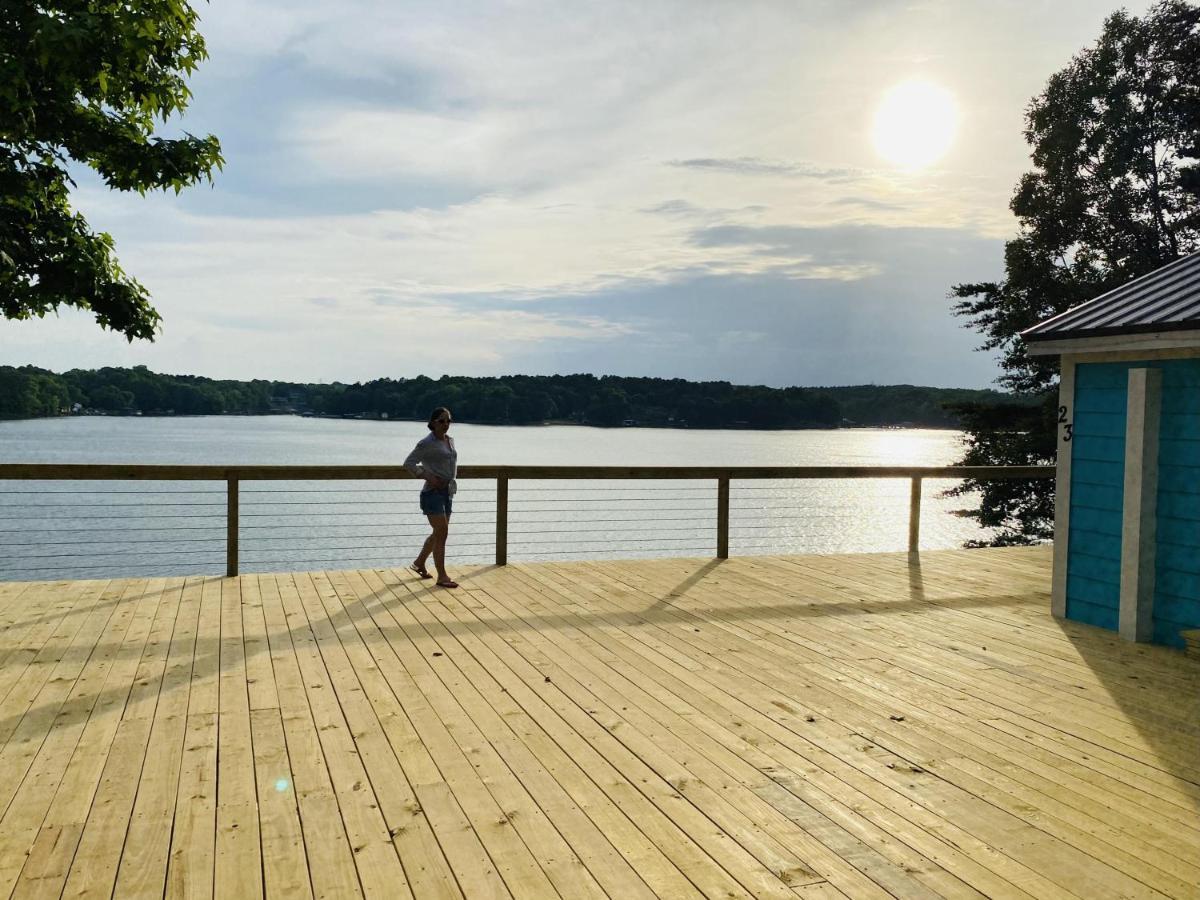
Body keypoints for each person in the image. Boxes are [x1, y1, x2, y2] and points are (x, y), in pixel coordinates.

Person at [404, 407, 459, 588]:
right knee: (442, 533)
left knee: (438, 533)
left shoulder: (449, 441)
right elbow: (409, 463)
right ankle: (442, 576)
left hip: (447, 493)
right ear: (433, 422)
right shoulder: (426, 443)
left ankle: (419, 563)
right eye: (442, 421)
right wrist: (428, 476)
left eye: (448, 421)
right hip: (432, 494)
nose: (446, 424)